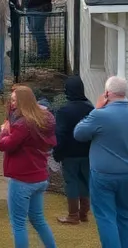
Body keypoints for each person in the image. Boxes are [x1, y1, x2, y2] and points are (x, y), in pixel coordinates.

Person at [73, 76, 128, 248]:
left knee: (105, 216)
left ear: (107, 93)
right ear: (125, 93)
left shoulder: (99, 115)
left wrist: (97, 107)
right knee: (124, 214)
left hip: (103, 174)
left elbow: (79, 133)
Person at [0, 85, 58, 248]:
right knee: (38, 219)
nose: (11, 104)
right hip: (40, 177)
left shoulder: (22, 124)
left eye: (14, 101)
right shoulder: (43, 119)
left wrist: (4, 132)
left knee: (18, 223)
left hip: (22, 179)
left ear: (23, 102)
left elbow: (5, 145)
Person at [53, 75, 94, 226]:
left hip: (69, 153)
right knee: (84, 180)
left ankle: (73, 214)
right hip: (87, 152)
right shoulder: (90, 108)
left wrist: (57, 152)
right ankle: (84, 213)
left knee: (71, 181)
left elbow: (60, 134)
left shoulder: (64, 110)